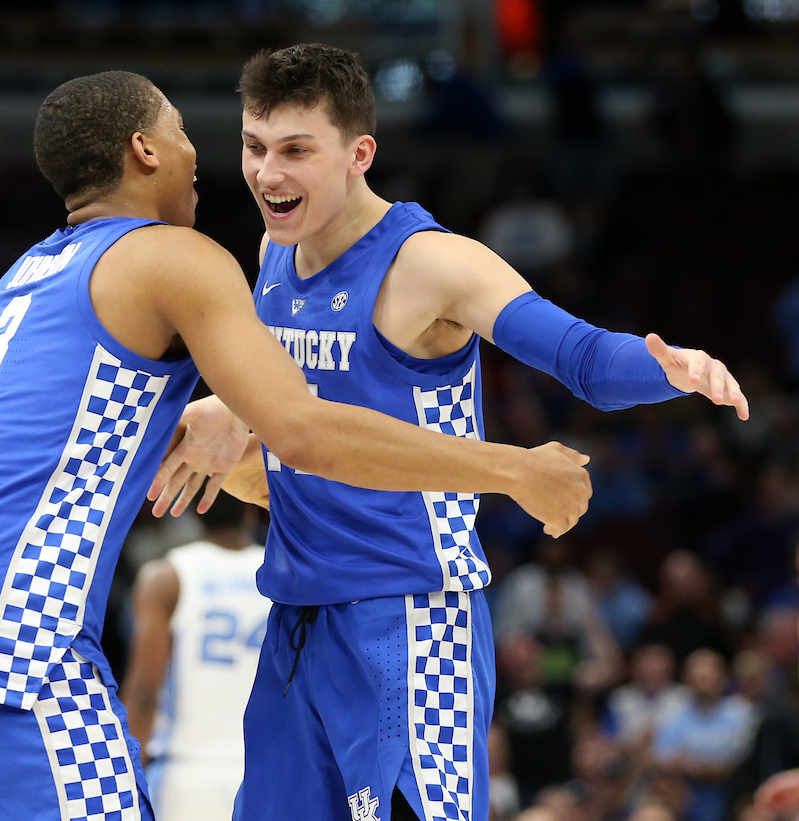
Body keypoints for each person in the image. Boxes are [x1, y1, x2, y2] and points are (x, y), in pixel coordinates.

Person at [0, 70, 596, 821]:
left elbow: (75, 437)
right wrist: (514, 467)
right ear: (144, 149)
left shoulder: (24, 277)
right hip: (15, 636)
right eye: (180, 129)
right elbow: (304, 431)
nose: (198, 153)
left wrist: (215, 424)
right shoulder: (175, 255)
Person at [152, 44, 749, 821]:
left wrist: (668, 365)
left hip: (407, 617)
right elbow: (303, 414)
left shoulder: (430, 264)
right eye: (254, 147)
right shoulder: (274, 253)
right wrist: (224, 419)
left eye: (297, 151)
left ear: (359, 152)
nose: (269, 174)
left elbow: (581, 358)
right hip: (296, 620)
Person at [122, 493, 271, 821]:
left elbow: (145, 692)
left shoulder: (166, 577)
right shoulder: (281, 577)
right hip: (266, 773)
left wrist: (125, 777)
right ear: (251, 509)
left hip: (188, 776)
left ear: (192, 510)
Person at [653, 649, 756, 821]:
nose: (703, 683)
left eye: (708, 677)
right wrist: (713, 766)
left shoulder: (741, 713)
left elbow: (739, 766)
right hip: (684, 804)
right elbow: (664, 763)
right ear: (687, 680)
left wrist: (691, 766)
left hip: (733, 800)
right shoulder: (673, 716)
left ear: (723, 677)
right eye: (698, 677)